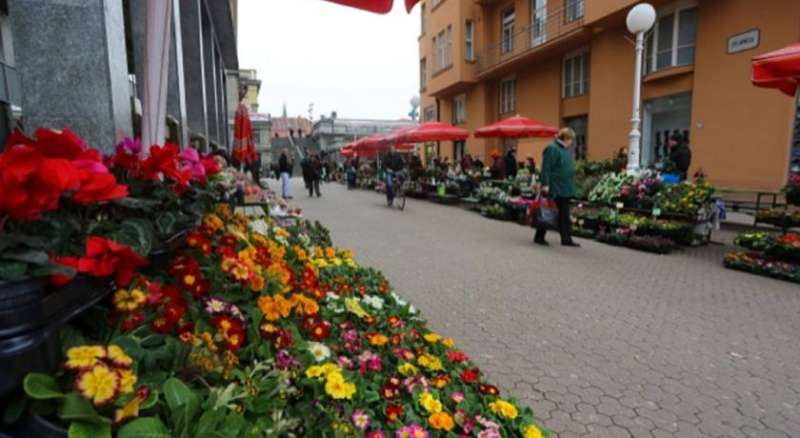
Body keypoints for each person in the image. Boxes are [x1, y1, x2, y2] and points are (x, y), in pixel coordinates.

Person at [535, 127, 579, 247]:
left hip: (564, 187)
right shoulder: (552, 148)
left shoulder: (564, 149)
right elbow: (546, 168)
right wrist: (545, 184)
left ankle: (566, 239)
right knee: (547, 211)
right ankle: (539, 236)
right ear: (565, 138)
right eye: (571, 139)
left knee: (563, 213)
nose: (572, 142)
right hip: (555, 186)